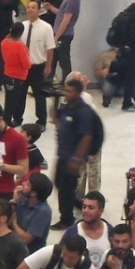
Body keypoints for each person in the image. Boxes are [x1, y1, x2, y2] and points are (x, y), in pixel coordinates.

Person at [51, 73, 99, 224]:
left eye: (69, 91)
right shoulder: (68, 107)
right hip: (63, 155)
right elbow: (56, 121)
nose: (66, 93)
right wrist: (55, 100)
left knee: (66, 187)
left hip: (72, 158)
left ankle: (66, 218)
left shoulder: (83, 112)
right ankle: (76, 202)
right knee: (59, 183)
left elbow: (87, 136)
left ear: (78, 93)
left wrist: (77, 159)